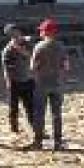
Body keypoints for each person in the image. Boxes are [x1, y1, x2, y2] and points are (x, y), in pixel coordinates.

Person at [30, 17, 70, 151]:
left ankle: (38, 141)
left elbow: (33, 66)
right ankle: (58, 142)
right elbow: (66, 66)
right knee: (56, 114)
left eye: (42, 31)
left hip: (42, 83)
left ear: (46, 32)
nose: (40, 33)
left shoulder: (39, 47)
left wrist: (36, 77)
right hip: (57, 83)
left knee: (39, 113)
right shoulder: (61, 47)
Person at [1, 24, 38, 139]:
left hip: (28, 79)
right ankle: (14, 127)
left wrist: (19, 48)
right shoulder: (8, 50)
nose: (14, 35)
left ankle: (35, 127)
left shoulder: (29, 42)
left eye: (15, 32)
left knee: (31, 106)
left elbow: (33, 56)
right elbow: (6, 68)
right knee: (14, 107)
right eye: (11, 34)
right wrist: (8, 80)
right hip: (15, 81)